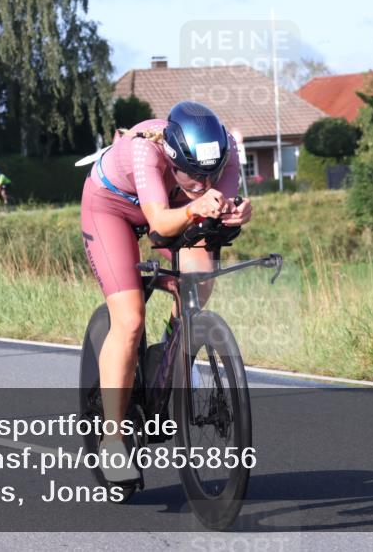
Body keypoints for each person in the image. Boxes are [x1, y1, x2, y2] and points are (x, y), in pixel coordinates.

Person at [80, 101, 252, 482]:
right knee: (129, 320)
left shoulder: (228, 152)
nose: (203, 183)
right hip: (113, 208)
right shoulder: (145, 147)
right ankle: (113, 439)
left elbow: (215, 209)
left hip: (172, 205)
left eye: (212, 173)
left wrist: (237, 212)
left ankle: (169, 357)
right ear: (172, 154)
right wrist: (196, 207)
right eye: (193, 174)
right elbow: (159, 221)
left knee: (200, 278)